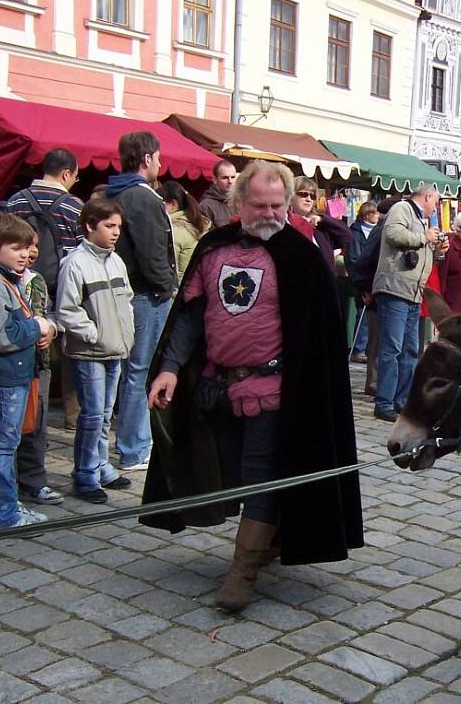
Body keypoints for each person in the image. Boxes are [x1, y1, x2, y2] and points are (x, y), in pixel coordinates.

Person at [143, 161, 363, 613]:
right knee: (229, 471)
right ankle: (275, 533)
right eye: (258, 204)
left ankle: (242, 572)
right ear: (237, 202)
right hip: (216, 387)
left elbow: (318, 336)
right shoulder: (212, 248)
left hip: (275, 390)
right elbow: (189, 316)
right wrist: (169, 367)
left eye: (277, 205)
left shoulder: (300, 257)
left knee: (261, 474)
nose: (268, 213)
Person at [105, 131, 176, 472]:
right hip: (146, 296)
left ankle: (133, 442)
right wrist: (167, 288)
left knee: (131, 371)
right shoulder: (142, 198)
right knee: (140, 371)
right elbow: (153, 255)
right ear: (147, 159)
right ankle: (134, 448)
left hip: (131, 293)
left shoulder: (114, 193)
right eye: (158, 158)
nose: (161, 164)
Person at [56, 198, 135, 503]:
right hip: (89, 352)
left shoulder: (115, 260)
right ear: (90, 226)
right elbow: (66, 308)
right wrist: (93, 334)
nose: (116, 232)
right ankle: (85, 474)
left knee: (103, 415)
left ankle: (101, 465)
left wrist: (124, 333)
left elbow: (126, 299)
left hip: (114, 349)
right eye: (109, 225)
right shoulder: (75, 262)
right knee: (91, 415)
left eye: (118, 226)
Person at [5, 147, 83, 430]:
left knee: (23, 353)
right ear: (66, 173)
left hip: (17, 289)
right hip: (60, 289)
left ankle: (25, 416)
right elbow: (80, 253)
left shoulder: (15, 202)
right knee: (65, 355)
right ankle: (68, 417)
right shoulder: (74, 207)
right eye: (74, 176)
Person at [0, 214, 54, 528]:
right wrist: (36, 326)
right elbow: (1, 336)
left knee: (7, 446)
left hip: (12, 377)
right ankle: (4, 513)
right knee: (2, 448)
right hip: (4, 379)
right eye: (15, 247)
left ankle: (7, 505)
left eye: (27, 247)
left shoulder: (8, 281)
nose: (23, 254)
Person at [371, 185, 448, 422]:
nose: (435, 208)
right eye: (434, 203)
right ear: (427, 197)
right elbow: (393, 234)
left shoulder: (421, 220)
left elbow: (421, 254)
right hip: (396, 289)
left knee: (411, 351)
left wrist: (438, 251)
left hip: (413, 293)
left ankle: (401, 401)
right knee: (392, 349)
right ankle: (384, 402)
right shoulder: (402, 208)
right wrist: (423, 237)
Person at [16, 232, 63, 506]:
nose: (30, 252)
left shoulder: (36, 280)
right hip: (9, 367)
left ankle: (33, 482)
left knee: (36, 425)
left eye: (33, 246)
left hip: (37, 365)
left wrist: (51, 329)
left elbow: (50, 313)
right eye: (22, 247)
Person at [347, 197, 400, 397]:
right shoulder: (380, 231)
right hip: (376, 292)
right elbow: (362, 263)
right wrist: (365, 290)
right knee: (377, 342)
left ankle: (382, 382)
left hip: (388, 291)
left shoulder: (388, 230)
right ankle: (374, 383)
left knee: (384, 341)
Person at [288, 177, 352, 274]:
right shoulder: (284, 224)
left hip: (324, 285)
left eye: (312, 196)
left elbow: (348, 237)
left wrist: (322, 219)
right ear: (291, 196)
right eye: (303, 194)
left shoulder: (319, 228)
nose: (308, 199)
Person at [346, 201, 380, 363]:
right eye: (375, 213)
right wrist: (360, 281)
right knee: (363, 315)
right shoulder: (356, 232)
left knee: (369, 316)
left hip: (372, 279)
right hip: (361, 279)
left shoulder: (374, 230)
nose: (378, 216)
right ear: (367, 215)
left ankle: (365, 348)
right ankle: (358, 349)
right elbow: (354, 258)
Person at [158, 181, 212, 280]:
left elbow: (168, 269)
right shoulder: (194, 223)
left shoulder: (174, 231)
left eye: (160, 203)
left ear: (173, 204)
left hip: (179, 289)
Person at [199, 160, 237, 228]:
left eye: (233, 177)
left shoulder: (242, 202)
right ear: (215, 180)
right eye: (225, 178)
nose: (230, 181)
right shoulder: (206, 206)